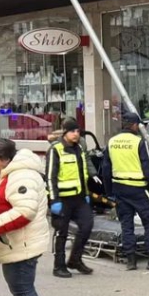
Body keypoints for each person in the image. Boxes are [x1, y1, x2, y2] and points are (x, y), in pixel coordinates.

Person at [0, 138, 50, 296]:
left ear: (4, 158)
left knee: (23, 292)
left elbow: (25, 212)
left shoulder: (21, 175)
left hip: (21, 244)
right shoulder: (11, 173)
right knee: (22, 292)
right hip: (15, 243)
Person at [100, 112, 149, 271]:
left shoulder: (112, 142)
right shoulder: (139, 142)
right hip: (139, 190)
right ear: (134, 125)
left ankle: (131, 260)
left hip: (119, 189)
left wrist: (109, 192)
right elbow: (148, 170)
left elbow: (105, 169)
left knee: (126, 224)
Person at [46, 118, 95, 278]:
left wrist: (86, 194)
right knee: (62, 232)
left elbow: (82, 173)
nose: (76, 134)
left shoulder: (79, 148)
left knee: (87, 226)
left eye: (78, 131)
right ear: (65, 132)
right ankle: (59, 266)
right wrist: (54, 200)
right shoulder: (56, 149)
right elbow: (50, 177)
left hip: (79, 198)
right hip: (62, 199)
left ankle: (75, 259)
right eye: (72, 131)